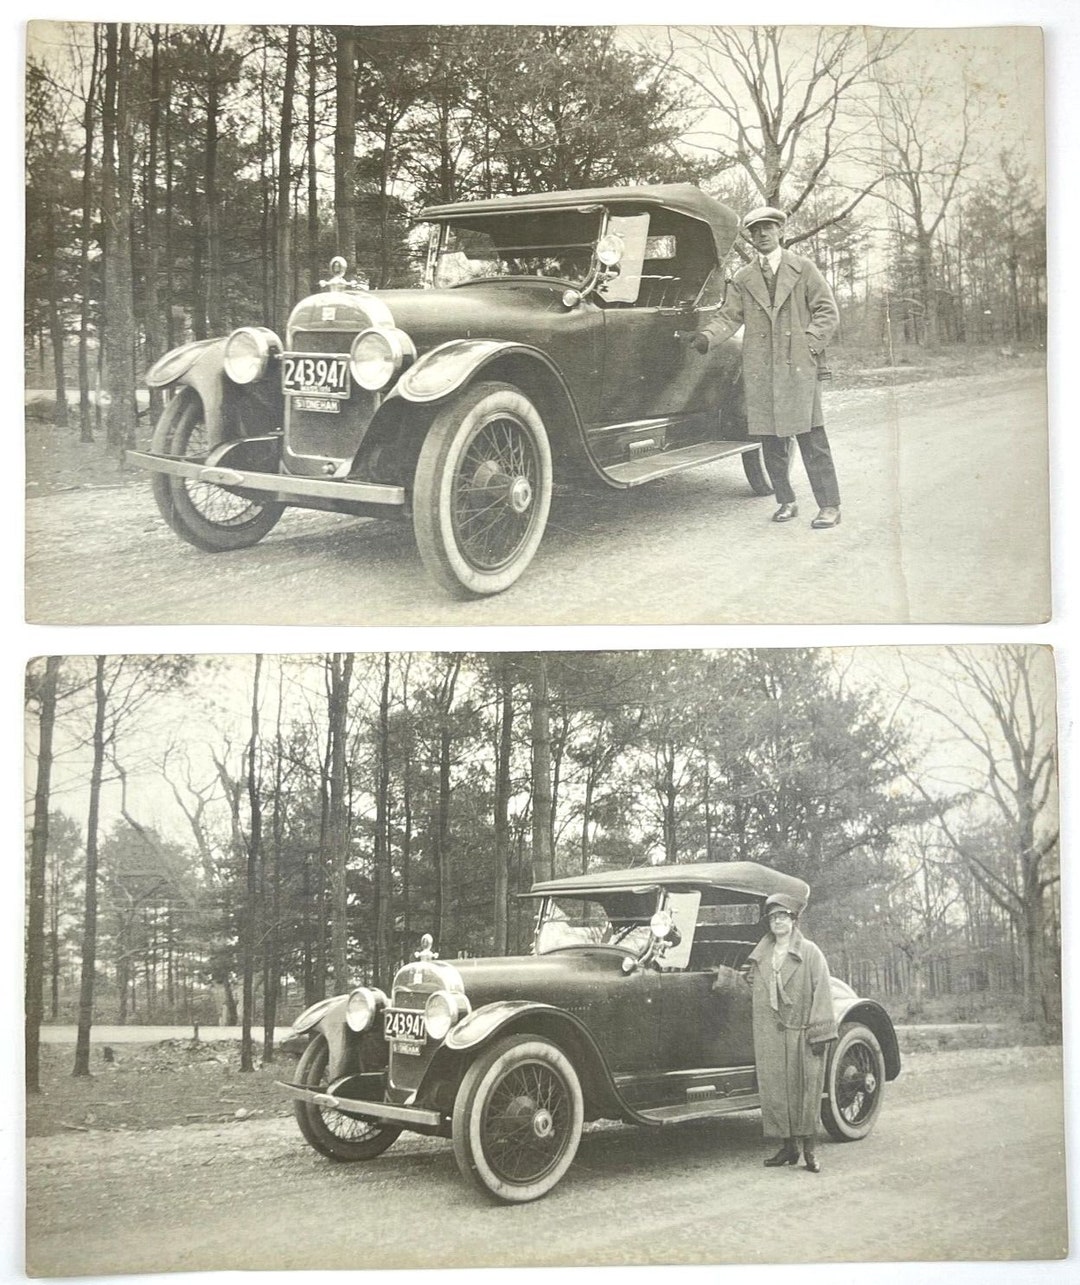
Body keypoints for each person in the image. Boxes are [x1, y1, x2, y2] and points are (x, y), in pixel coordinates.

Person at [689, 206, 842, 529]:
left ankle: (829, 505)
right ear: (751, 236)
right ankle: (786, 501)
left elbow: (827, 311)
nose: (762, 235)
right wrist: (707, 337)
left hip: (798, 368)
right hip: (761, 370)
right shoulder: (744, 278)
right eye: (755, 231)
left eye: (768, 229)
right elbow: (729, 316)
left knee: (811, 438)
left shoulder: (803, 269)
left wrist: (809, 346)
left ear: (780, 232)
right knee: (771, 440)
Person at [746, 891, 837, 1172]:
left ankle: (809, 1150)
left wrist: (819, 1033)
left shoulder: (810, 952)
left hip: (803, 1034)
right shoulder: (761, 957)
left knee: (805, 1091)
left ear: (794, 920)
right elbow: (750, 987)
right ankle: (788, 1148)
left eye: (783, 916)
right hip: (771, 1036)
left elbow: (822, 992)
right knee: (777, 1092)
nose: (778, 922)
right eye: (773, 918)